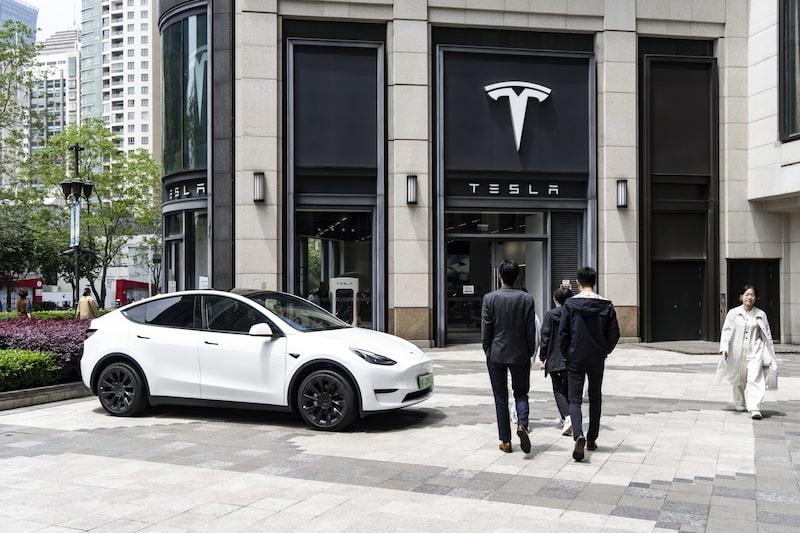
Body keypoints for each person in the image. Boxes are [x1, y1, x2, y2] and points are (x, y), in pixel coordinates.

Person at [559, 266, 620, 462]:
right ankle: (592, 438)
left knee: (574, 399)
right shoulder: (606, 305)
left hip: (575, 357)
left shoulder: (569, 305)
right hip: (596, 358)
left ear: (577, 283)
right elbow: (614, 334)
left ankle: (579, 435)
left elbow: (563, 334)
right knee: (595, 397)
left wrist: (566, 353)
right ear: (595, 282)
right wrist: (605, 350)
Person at [481, 259, 538, 454]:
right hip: (520, 353)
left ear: (500, 276)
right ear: (517, 277)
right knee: (521, 392)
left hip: (496, 353)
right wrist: (530, 350)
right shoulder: (527, 299)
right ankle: (522, 424)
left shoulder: (490, 298)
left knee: (500, 397)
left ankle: (505, 441)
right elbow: (531, 329)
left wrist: (488, 350)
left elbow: (486, 329)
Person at [715, 284, 778, 420]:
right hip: (737, 350)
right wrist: (724, 348)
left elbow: (767, 335)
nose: (749, 297)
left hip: (756, 351)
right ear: (741, 297)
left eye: (752, 295)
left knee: (754, 378)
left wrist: (769, 353)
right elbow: (726, 331)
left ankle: (755, 407)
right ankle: (740, 403)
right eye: (747, 294)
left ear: (756, 298)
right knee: (739, 378)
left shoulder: (761, 315)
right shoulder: (733, 313)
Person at [540, 287, 574, 436]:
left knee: (558, 390)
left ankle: (568, 417)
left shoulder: (550, 315)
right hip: (571, 358)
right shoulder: (574, 314)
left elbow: (545, 337)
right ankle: (565, 417)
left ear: (556, 300)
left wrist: (542, 358)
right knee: (568, 389)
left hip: (554, 358)